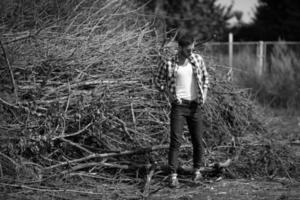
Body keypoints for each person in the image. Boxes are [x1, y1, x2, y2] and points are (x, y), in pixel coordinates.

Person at [154, 33, 209, 188]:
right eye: (188, 50)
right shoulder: (169, 63)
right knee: (176, 141)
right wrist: (169, 94)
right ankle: (173, 176)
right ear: (180, 48)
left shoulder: (197, 60)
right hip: (178, 106)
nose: (191, 52)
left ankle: (197, 172)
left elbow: (206, 78)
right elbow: (157, 80)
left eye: (192, 49)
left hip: (195, 105)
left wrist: (204, 94)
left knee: (198, 140)